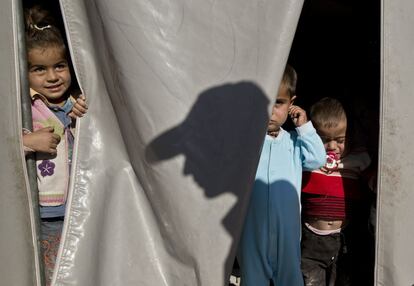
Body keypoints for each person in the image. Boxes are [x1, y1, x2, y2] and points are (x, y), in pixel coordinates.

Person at [237, 65, 326, 286]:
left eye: (278, 103)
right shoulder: (246, 142)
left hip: (287, 233)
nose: (270, 110)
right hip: (252, 231)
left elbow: (317, 159)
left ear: (291, 103)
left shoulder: (294, 142)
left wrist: (305, 127)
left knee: (290, 280)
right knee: (253, 279)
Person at [22, 5, 87, 285]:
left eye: (59, 66)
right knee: (51, 273)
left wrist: (84, 111)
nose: (52, 77)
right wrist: (27, 141)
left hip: (81, 205)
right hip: (44, 213)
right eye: (39, 69)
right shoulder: (27, 106)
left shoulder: (77, 101)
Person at [301, 97, 371, 286]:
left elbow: (375, 182)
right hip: (311, 240)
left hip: (344, 239)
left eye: (340, 140)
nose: (332, 147)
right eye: (324, 140)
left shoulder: (358, 159)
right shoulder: (309, 160)